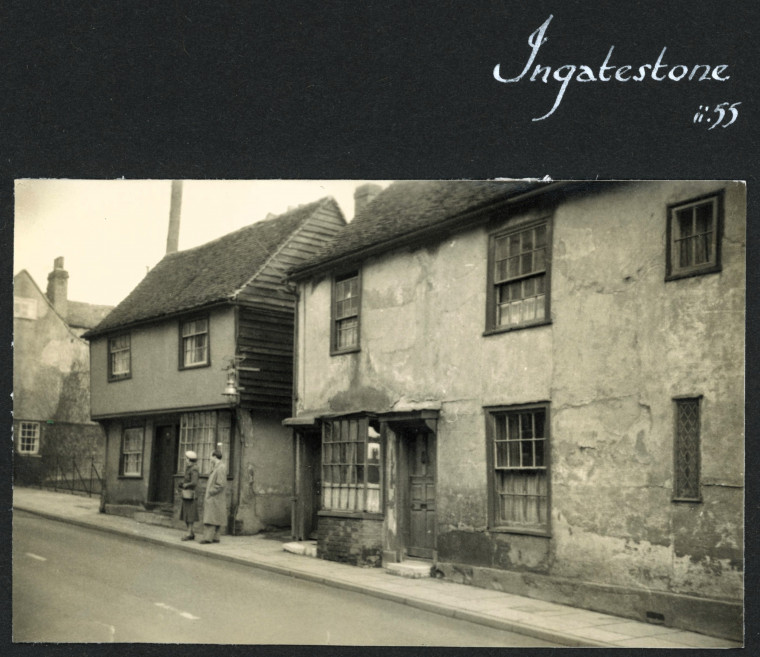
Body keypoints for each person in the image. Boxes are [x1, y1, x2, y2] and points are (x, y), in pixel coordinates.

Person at [200, 449, 227, 544]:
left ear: (215, 456)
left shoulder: (220, 467)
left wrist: (211, 492)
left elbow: (220, 484)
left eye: (211, 456)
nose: (209, 458)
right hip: (215, 497)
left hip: (215, 497)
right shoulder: (216, 467)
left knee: (211, 518)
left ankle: (208, 538)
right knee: (214, 517)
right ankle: (216, 537)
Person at [177, 450, 199, 540]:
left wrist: (185, 485)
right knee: (186, 514)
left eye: (186, 458)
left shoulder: (194, 469)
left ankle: (189, 533)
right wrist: (182, 483)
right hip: (186, 494)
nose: (185, 460)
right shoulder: (188, 468)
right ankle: (191, 533)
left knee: (189, 515)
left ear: (190, 459)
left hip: (191, 495)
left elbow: (194, 482)